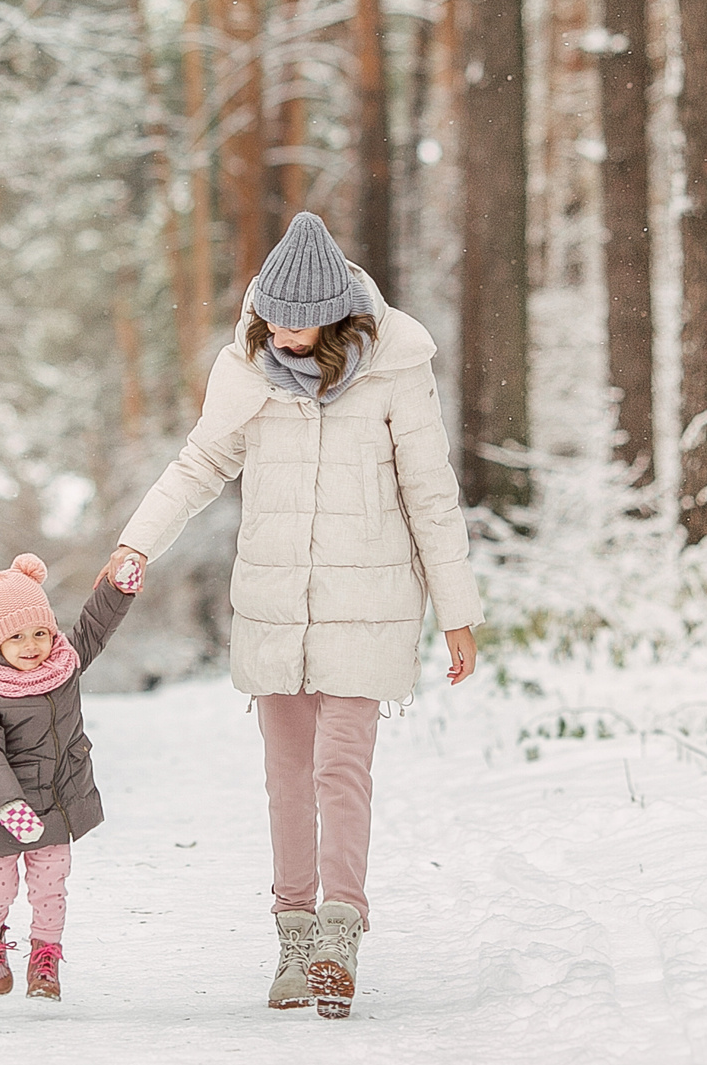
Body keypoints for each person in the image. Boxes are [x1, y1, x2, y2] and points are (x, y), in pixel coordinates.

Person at [108, 212, 480, 1020]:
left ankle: (341, 933)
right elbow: (199, 463)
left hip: (370, 599)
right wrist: (137, 542)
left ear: (337, 310)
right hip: (276, 602)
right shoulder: (246, 371)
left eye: (302, 317)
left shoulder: (394, 368)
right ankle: (294, 935)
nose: (285, 330)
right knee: (286, 778)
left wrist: (457, 610)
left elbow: (429, 489)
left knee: (341, 770)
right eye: (275, 315)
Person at [0, 550, 140, 1001]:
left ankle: (45, 957)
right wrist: (7, 804)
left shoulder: (61, 668)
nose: (32, 645)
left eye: (40, 632)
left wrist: (118, 586)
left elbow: (95, 627)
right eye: (15, 637)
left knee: (50, 888)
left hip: (56, 801)